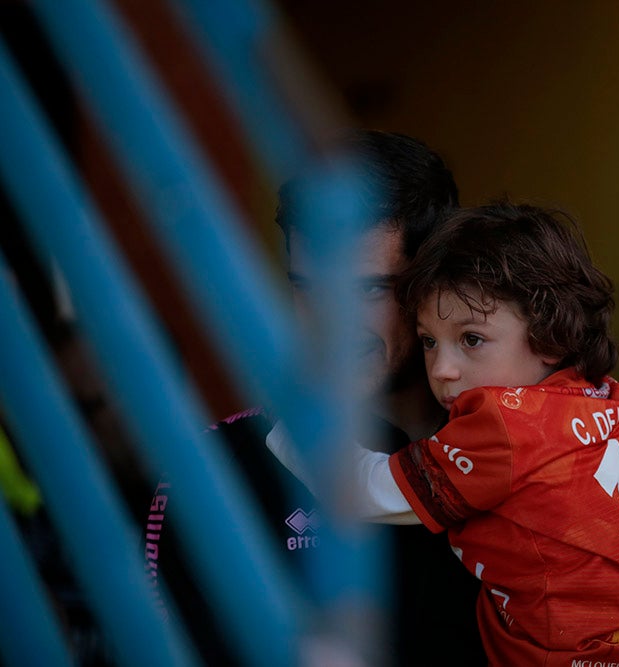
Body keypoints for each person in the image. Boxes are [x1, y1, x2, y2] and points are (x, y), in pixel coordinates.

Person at [143, 130, 486, 665]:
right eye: (307, 286)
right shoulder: (222, 463)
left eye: (370, 289)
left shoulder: (539, 449)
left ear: (436, 284)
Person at [338, 202, 619, 665]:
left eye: (471, 339)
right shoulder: (597, 398)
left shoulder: (504, 425)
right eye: (428, 341)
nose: (442, 370)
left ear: (550, 336)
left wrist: (291, 429)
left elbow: (362, 491)